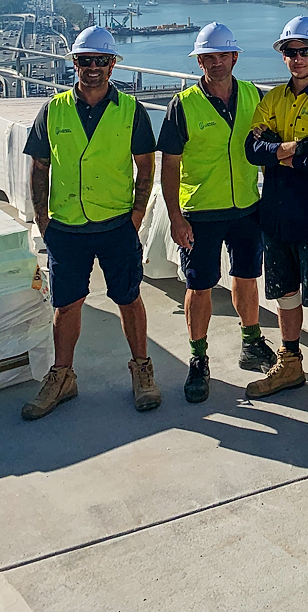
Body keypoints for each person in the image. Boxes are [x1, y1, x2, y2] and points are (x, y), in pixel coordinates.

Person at [22, 26, 160, 419]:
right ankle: (62, 375)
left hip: (117, 224)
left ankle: (142, 370)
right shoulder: (53, 110)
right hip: (67, 226)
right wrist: (43, 219)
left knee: (128, 298)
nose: (93, 67)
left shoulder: (131, 110)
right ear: (76, 64)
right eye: (85, 60)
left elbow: (145, 165)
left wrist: (136, 216)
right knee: (66, 304)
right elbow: (39, 166)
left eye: (101, 60)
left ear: (113, 64)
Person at [158, 22, 274, 403]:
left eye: (223, 55)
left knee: (247, 277)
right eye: (209, 57)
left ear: (235, 57)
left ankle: (251, 342)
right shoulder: (183, 105)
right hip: (201, 212)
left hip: (246, 207)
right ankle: (198, 358)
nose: (216, 62)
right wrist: (175, 217)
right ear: (200, 62)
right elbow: (169, 164)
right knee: (199, 286)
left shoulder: (253, 95)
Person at [243, 16, 308, 403]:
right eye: (291, 51)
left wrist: (276, 149)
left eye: (306, 51)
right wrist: (295, 147)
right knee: (284, 294)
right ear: (284, 55)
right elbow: (252, 150)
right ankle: (290, 362)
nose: (298, 58)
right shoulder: (272, 99)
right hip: (275, 217)